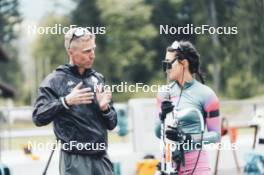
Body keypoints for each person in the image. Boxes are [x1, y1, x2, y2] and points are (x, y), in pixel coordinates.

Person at [32, 27, 117, 175]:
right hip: (75, 159)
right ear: (71, 52)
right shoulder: (54, 80)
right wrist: (65, 101)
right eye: (86, 51)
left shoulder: (98, 79)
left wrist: (105, 109)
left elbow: (112, 123)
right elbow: (38, 117)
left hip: (101, 157)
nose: (92, 55)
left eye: (93, 49)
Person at [155, 40, 221, 175]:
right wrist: (162, 116)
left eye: (169, 63)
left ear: (183, 63)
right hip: (169, 163)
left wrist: (187, 138)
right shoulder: (163, 93)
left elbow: (216, 136)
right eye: (164, 64)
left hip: (196, 165)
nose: (166, 68)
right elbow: (157, 133)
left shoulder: (206, 94)